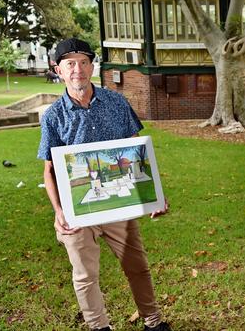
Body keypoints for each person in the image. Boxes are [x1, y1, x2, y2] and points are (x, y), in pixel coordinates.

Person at [37, 38, 171, 331]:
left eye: (83, 62)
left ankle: (154, 322)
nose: (78, 70)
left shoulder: (116, 102)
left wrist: (154, 195)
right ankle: (99, 327)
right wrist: (59, 210)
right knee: (85, 275)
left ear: (92, 66)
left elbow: (138, 151)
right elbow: (49, 170)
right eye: (70, 64)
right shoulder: (53, 117)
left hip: (118, 202)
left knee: (137, 266)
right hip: (78, 210)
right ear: (58, 70)